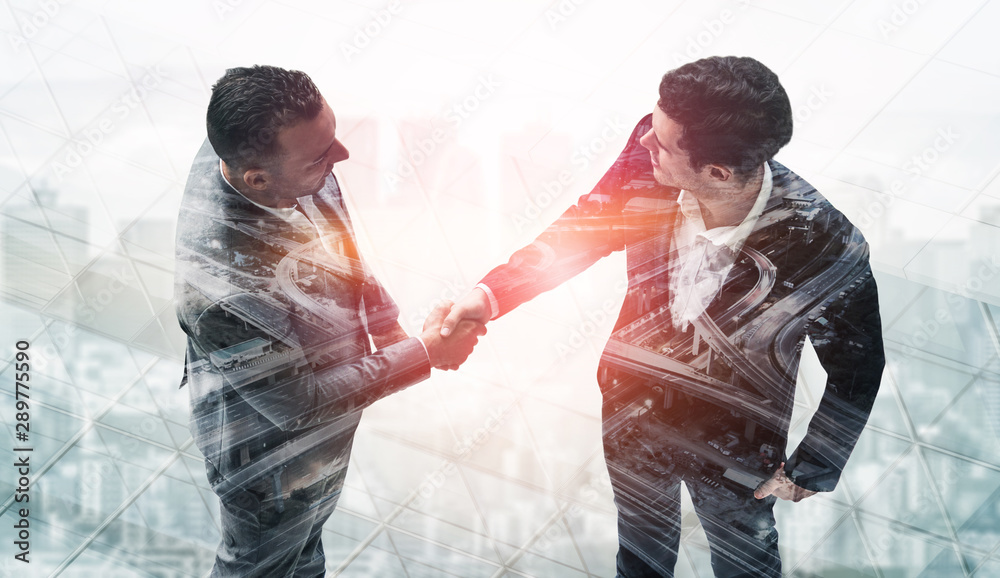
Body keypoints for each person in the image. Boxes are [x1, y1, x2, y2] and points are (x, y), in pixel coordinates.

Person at [440, 56, 885, 577]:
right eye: (651, 126)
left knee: (747, 564)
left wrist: (812, 469)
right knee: (640, 557)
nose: (644, 143)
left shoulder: (824, 244)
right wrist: (493, 294)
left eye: (662, 141)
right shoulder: (654, 143)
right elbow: (591, 223)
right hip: (631, 412)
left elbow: (857, 365)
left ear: (716, 172)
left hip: (736, 445)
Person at [175, 65, 485, 577]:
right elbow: (300, 408)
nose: (341, 157)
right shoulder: (220, 291)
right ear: (258, 179)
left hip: (321, 438)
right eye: (322, 156)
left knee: (306, 557)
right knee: (263, 566)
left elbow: (339, 245)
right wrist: (424, 353)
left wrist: (386, 324)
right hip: (269, 460)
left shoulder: (269, 152)